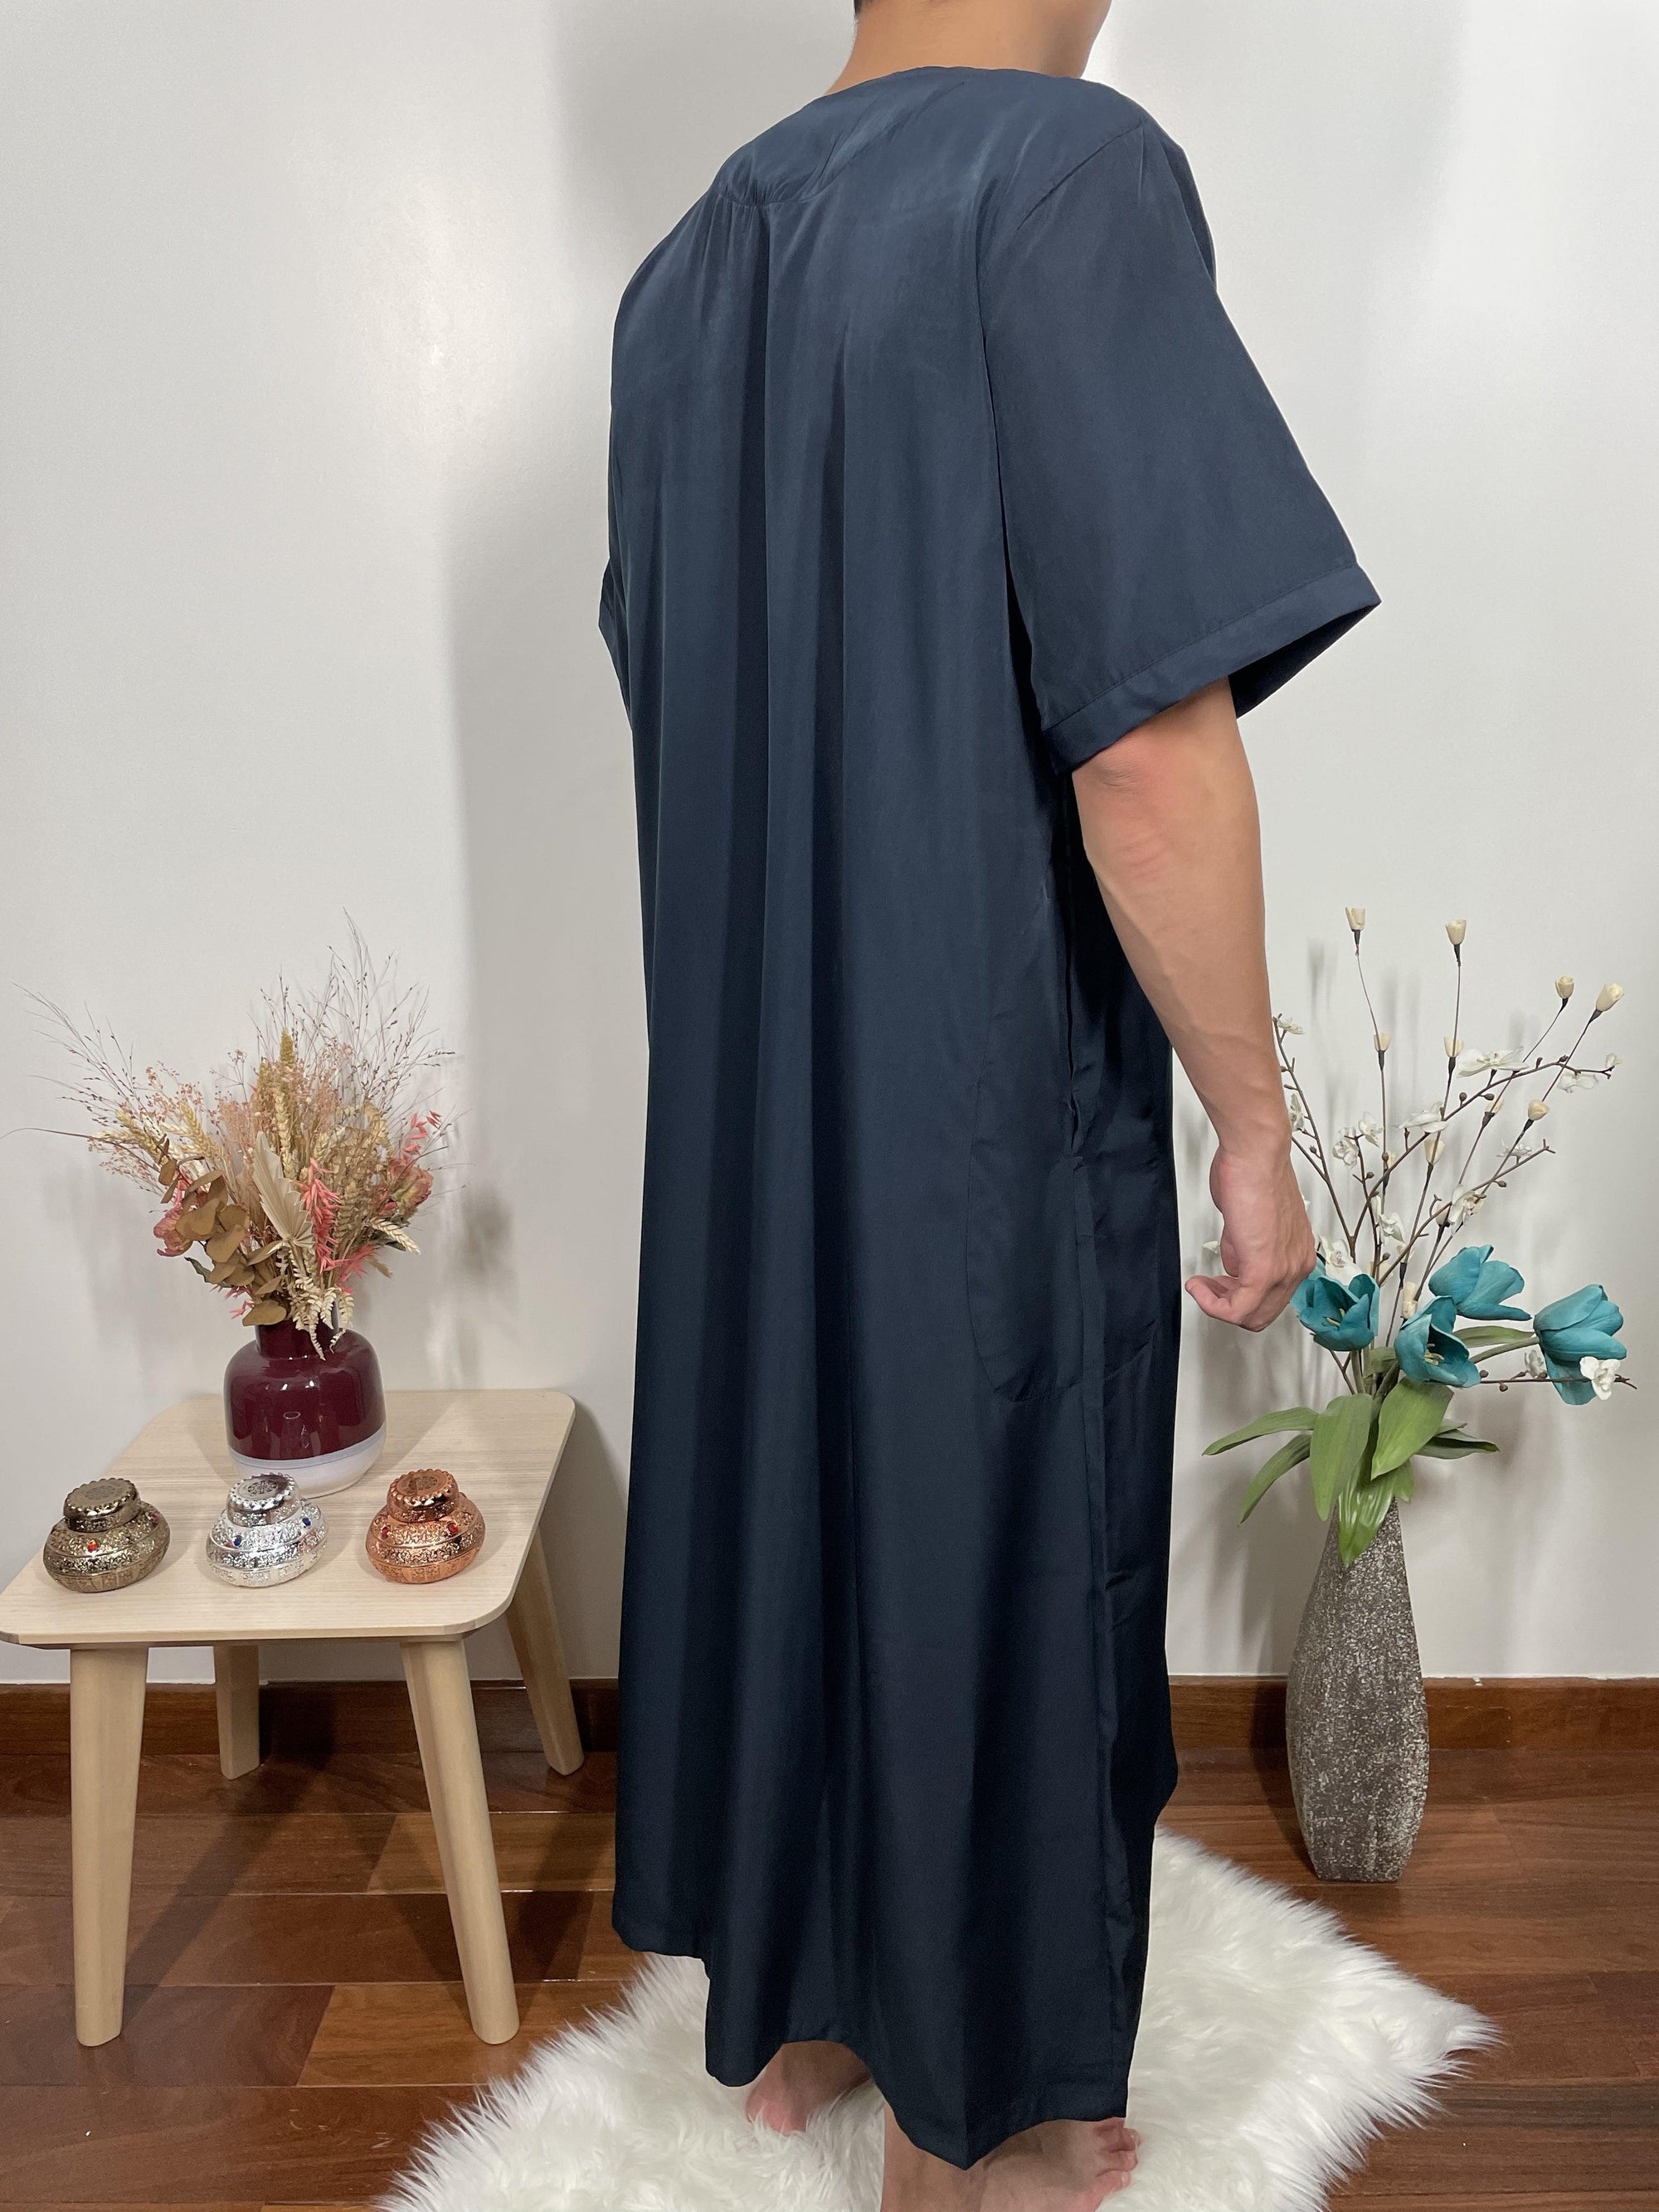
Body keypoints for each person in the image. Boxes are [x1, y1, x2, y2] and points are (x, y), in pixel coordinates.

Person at [597, 0, 1375, 2202]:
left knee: (802, 1494)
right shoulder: (1064, 176)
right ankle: (979, 2135)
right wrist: (1252, 1122)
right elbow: (1144, 742)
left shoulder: (687, 269)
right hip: (974, 1082)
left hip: (751, 1098)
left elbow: (691, 685)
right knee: (993, 1525)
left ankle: (813, 2013)